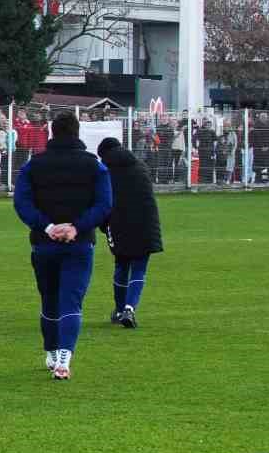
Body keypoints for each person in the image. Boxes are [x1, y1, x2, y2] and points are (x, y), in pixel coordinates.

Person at [13, 112, 113, 380]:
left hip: (44, 244)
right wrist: (76, 227)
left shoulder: (34, 165)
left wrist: (46, 227)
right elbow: (104, 204)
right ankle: (65, 358)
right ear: (77, 133)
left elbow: (22, 203)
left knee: (49, 300)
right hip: (79, 243)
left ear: (51, 132)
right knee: (71, 301)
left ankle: (51, 351)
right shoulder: (95, 166)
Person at [96, 137, 162, 330]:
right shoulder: (139, 165)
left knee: (122, 265)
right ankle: (129, 308)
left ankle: (118, 309)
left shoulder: (105, 171)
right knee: (139, 267)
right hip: (145, 223)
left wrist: (103, 224)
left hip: (119, 223)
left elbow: (103, 200)